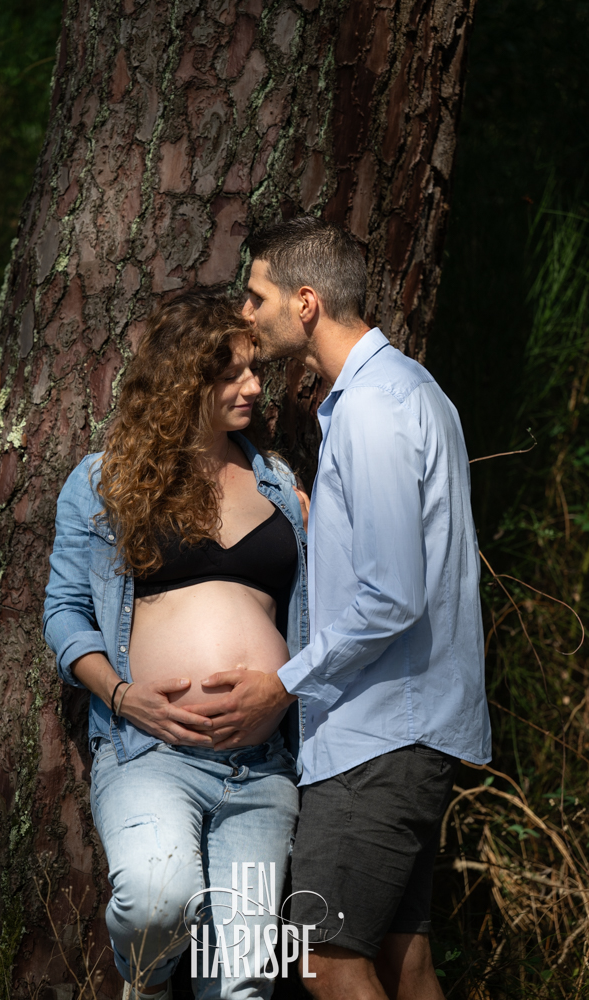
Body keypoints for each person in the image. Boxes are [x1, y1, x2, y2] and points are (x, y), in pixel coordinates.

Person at [198, 218, 492, 1000]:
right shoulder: (400, 393)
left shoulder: (373, 408)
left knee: (324, 960)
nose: (246, 312)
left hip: (378, 733)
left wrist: (283, 684)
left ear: (304, 303)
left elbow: (392, 594)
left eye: (256, 296)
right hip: (400, 727)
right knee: (403, 961)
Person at [42, 293, 309, 1000]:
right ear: (182, 380)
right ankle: (150, 984)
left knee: (245, 980)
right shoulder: (104, 482)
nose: (252, 387)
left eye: (253, 371)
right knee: (157, 903)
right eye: (230, 374)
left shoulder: (279, 484)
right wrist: (124, 697)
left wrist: (283, 687)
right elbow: (66, 614)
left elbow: (325, 619)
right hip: (150, 755)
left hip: (261, 766)